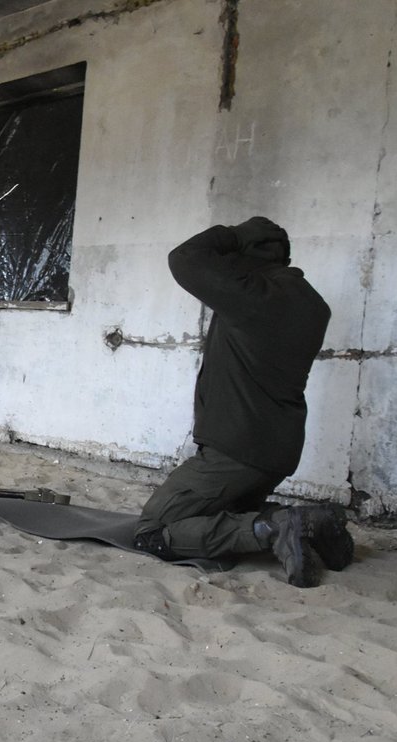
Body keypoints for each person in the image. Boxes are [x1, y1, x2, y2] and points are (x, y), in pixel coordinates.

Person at [134, 217, 354, 588]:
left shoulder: (253, 296)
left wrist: (233, 236)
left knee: (154, 529)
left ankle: (274, 528)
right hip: (278, 450)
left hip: (235, 450)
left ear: (245, 255)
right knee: (224, 512)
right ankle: (312, 522)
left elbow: (184, 258)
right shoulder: (313, 304)